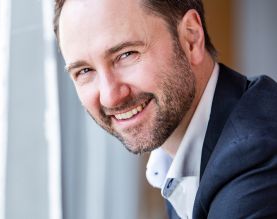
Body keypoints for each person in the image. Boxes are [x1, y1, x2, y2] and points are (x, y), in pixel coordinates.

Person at [53, 0, 277, 218]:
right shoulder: (179, 151)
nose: (110, 97)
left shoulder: (256, 156)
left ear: (191, 37)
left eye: (126, 55)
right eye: (84, 71)